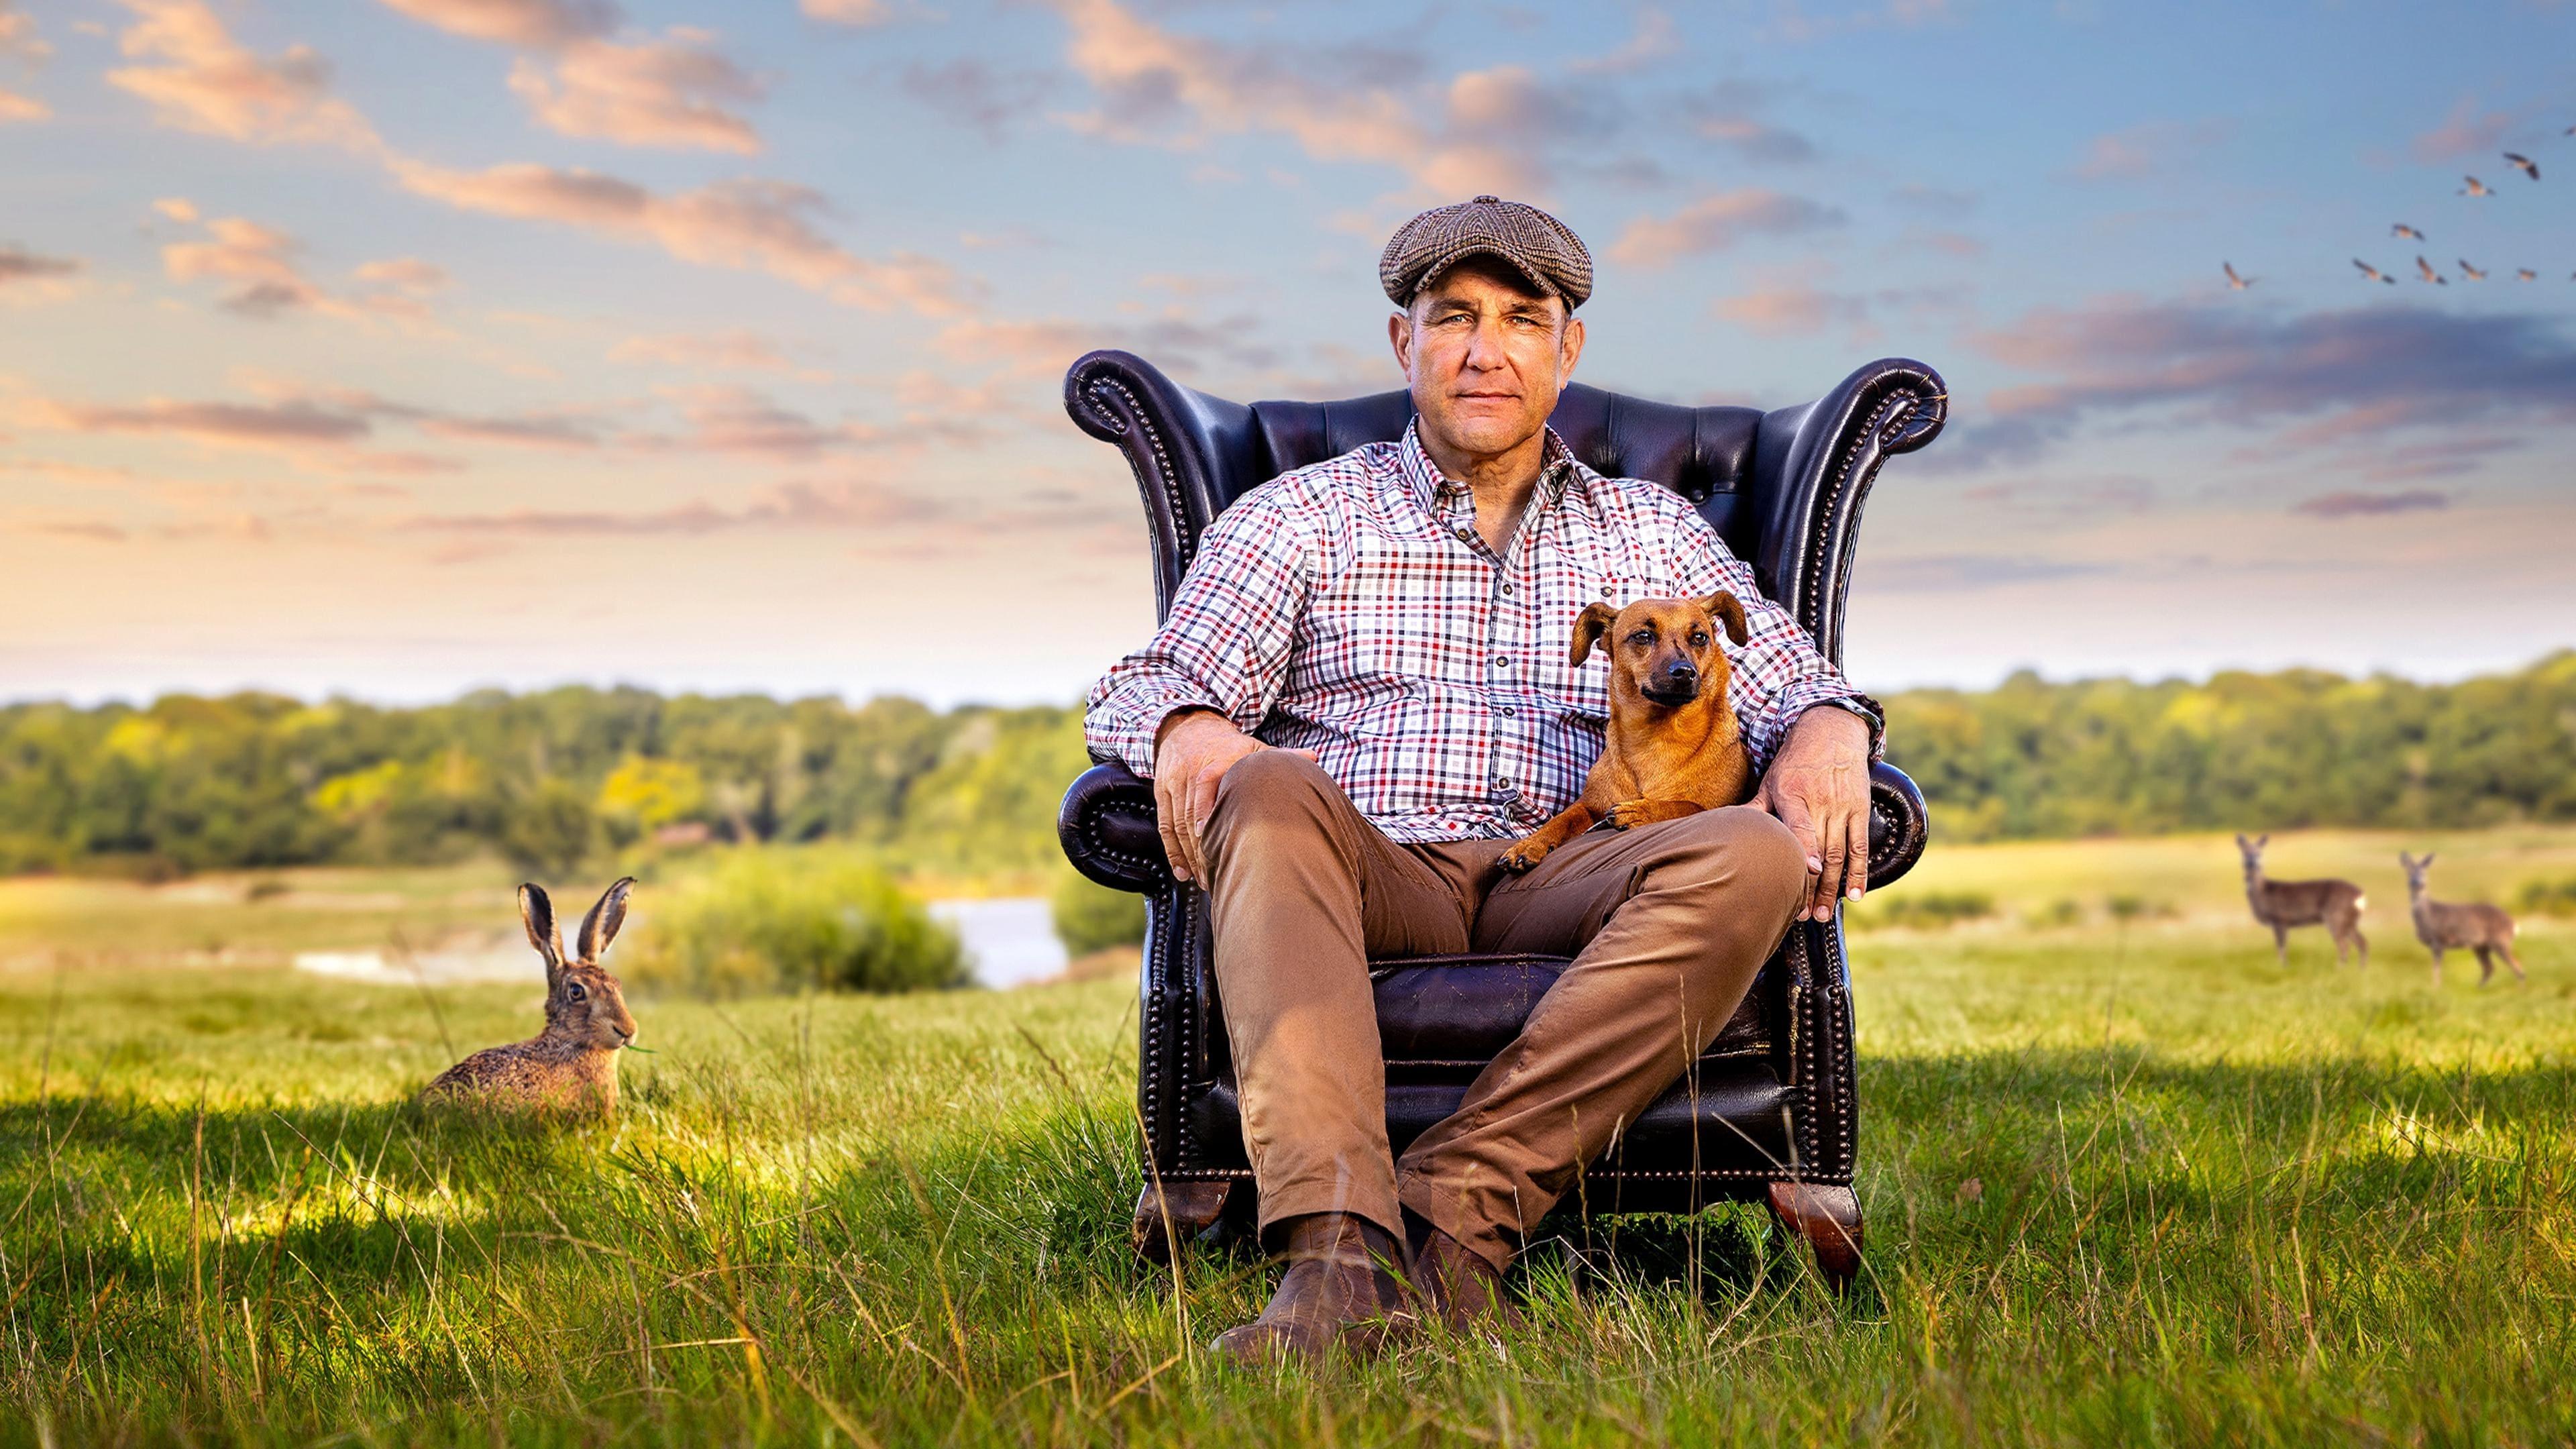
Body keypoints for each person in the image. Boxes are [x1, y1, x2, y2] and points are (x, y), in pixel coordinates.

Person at [1083, 195, 1882, 1365]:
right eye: (1451, 316)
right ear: (1405, 344)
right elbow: (1149, 679)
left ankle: (1454, 1223)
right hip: (1371, 863)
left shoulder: (1650, 532)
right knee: (1260, 787)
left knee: (1757, 852)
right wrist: (1193, 727)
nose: (1483, 347)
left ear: (1568, 350)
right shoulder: (1303, 514)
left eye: (1522, 317)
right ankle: (1338, 1265)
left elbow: (1784, 672)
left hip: (1574, 865)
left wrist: (1825, 730)